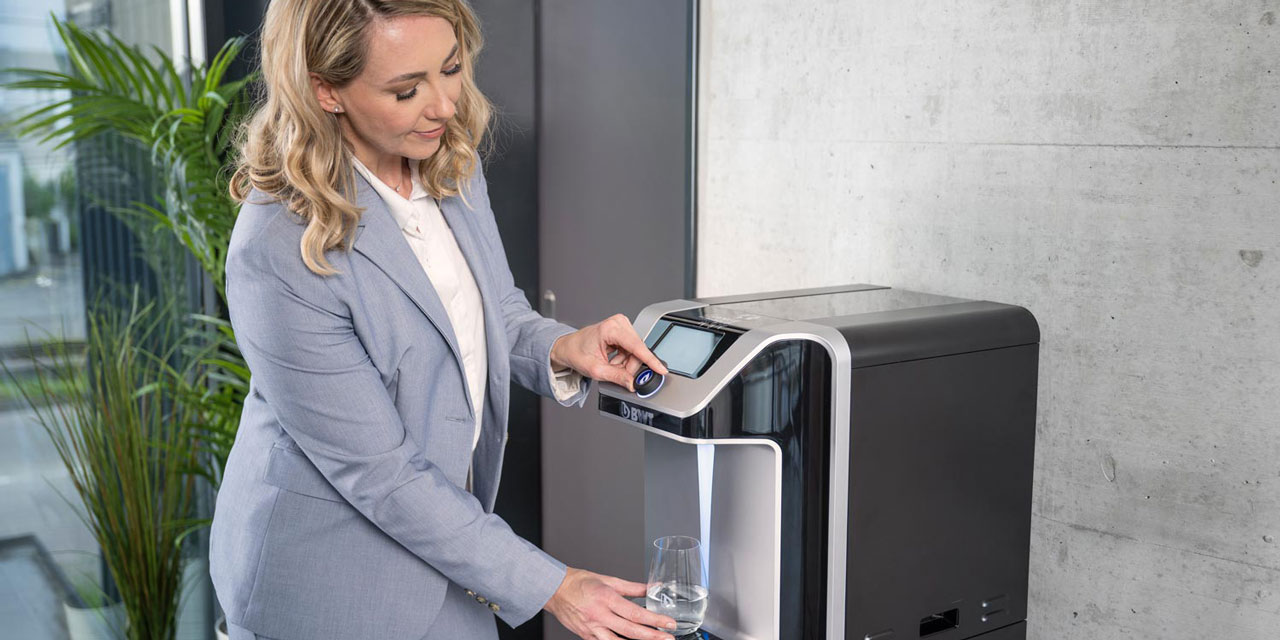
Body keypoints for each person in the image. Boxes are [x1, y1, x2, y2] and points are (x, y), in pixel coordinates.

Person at [208, 1, 676, 639]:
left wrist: (566, 347)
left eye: (451, 69)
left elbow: (490, 312)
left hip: (444, 544)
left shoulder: (448, 164)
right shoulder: (277, 245)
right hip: (325, 585)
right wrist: (555, 586)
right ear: (326, 90)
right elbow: (382, 474)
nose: (445, 106)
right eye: (407, 90)